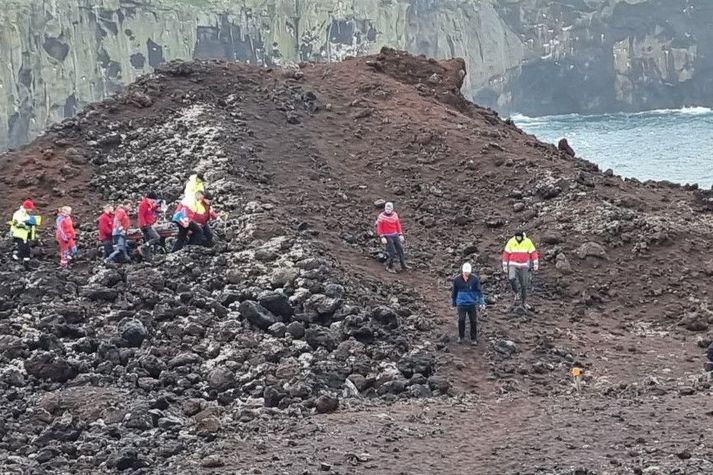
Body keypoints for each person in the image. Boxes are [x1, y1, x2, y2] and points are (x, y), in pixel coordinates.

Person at [501, 230, 539, 308]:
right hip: (513, 264)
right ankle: (516, 292)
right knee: (511, 278)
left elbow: (533, 252)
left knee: (524, 285)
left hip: (524, 265)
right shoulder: (511, 241)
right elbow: (506, 253)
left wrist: (535, 263)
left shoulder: (528, 242)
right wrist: (504, 265)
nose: (518, 238)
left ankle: (524, 302)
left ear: (522, 236)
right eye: (516, 237)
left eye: (519, 237)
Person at [451, 263, 485, 345]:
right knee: (461, 320)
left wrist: (481, 302)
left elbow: (479, 291)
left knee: (473, 321)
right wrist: (454, 301)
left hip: (472, 303)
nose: (466, 274)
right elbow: (454, 291)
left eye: (468, 272)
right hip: (461, 303)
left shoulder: (475, 279)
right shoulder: (457, 280)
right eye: (465, 272)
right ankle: (461, 337)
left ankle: (473, 339)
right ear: (462, 271)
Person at [375, 202, 408, 273]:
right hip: (387, 236)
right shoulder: (381, 217)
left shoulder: (395, 215)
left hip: (395, 235)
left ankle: (403, 264)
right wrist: (382, 236)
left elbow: (398, 225)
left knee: (400, 250)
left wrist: (400, 234)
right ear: (385, 208)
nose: (388, 210)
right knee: (392, 252)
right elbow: (379, 227)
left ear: (392, 209)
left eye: (389, 208)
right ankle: (389, 266)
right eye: (387, 208)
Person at [9, 200, 37, 264]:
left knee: (27, 250)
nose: (31, 210)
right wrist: (25, 225)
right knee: (23, 250)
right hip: (19, 235)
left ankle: (26, 265)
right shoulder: (18, 214)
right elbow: (17, 223)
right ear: (27, 207)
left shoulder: (25, 214)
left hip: (24, 235)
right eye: (30, 208)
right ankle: (14, 259)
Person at [137, 191, 162, 259]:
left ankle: (148, 258)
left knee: (148, 240)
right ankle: (142, 247)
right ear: (149, 198)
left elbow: (149, 211)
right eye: (153, 200)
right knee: (157, 237)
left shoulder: (148, 204)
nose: (154, 201)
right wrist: (143, 224)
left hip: (147, 224)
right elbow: (141, 215)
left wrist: (155, 207)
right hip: (146, 225)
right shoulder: (143, 204)